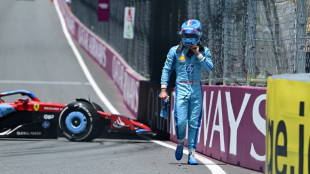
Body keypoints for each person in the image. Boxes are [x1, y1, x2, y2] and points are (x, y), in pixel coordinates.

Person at [160, 19, 213, 165]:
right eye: (186, 35)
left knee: (194, 123)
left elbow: (209, 68)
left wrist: (198, 54)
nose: (188, 38)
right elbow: (167, 69)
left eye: (191, 35)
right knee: (182, 120)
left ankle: (192, 153)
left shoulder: (204, 51)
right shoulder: (175, 51)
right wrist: (163, 89)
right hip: (181, 87)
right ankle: (180, 142)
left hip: (196, 88)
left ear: (198, 35)